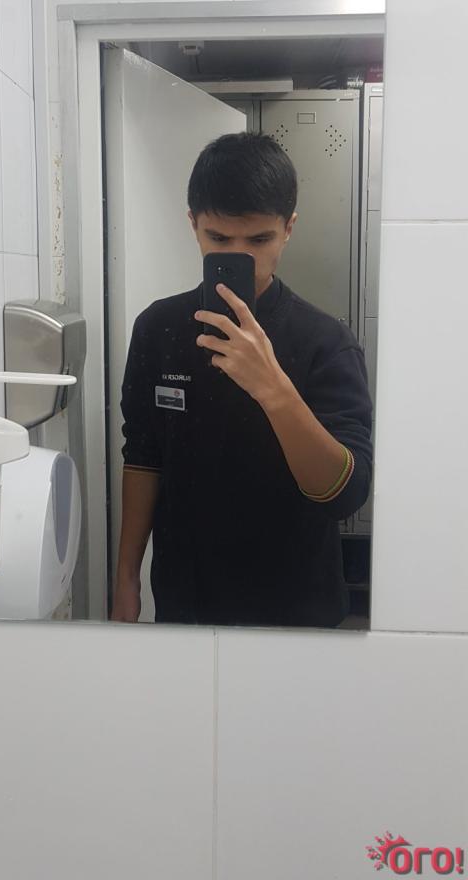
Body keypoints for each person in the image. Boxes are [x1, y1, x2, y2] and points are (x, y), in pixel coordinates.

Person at [111, 132, 373, 628]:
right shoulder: (158, 328)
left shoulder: (326, 342)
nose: (240, 257)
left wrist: (274, 389)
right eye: (219, 239)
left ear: (288, 229)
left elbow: (344, 493)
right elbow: (143, 455)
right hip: (187, 598)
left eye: (259, 240)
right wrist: (126, 578)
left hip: (297, 608)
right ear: (193, 225)